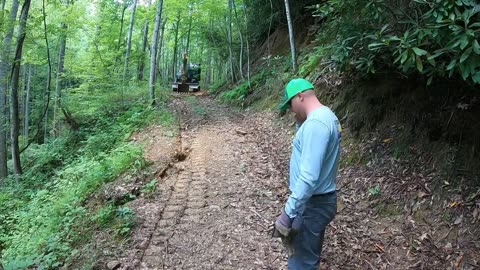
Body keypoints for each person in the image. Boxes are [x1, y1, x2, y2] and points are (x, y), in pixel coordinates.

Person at [274, 78, 341, 270]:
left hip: (312, 204)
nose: (291, 110)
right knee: (308, 257)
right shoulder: (327, 117)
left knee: (301, 264)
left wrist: (288, 212)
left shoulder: (316, 124)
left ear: (300, 96)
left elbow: (309, 176)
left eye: (291, 104)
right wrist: (300, 123)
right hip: (319, 201)